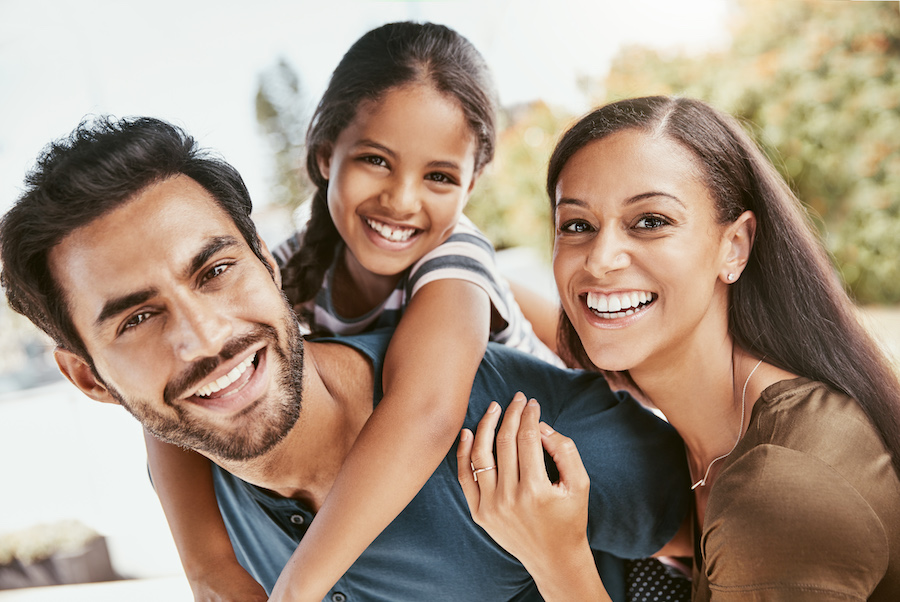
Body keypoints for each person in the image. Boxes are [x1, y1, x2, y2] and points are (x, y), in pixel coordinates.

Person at [0, 115, 691, 601]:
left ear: (270, 267)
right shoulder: (196, 470)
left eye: (214, 272)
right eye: (140, 317)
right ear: (90, 377)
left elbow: (749, 559)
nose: (204, 338)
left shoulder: (530, 444)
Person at [142, 21, 557, 602]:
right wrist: (210, 571)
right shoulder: (277, 265)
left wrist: (298, 588)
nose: (402, 199)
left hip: (546, 487)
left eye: (439, 176)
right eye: (376, 160)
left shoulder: (457, 260)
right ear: (323, 153)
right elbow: (173, 396)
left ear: (471, 185)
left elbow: (426, 413)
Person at [459, 96, 900, 600]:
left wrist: (557, 558)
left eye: (651, 221)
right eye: (577, 225)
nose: (600, 260)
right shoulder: (712, 433)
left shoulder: (782, 487)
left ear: (734, 246)